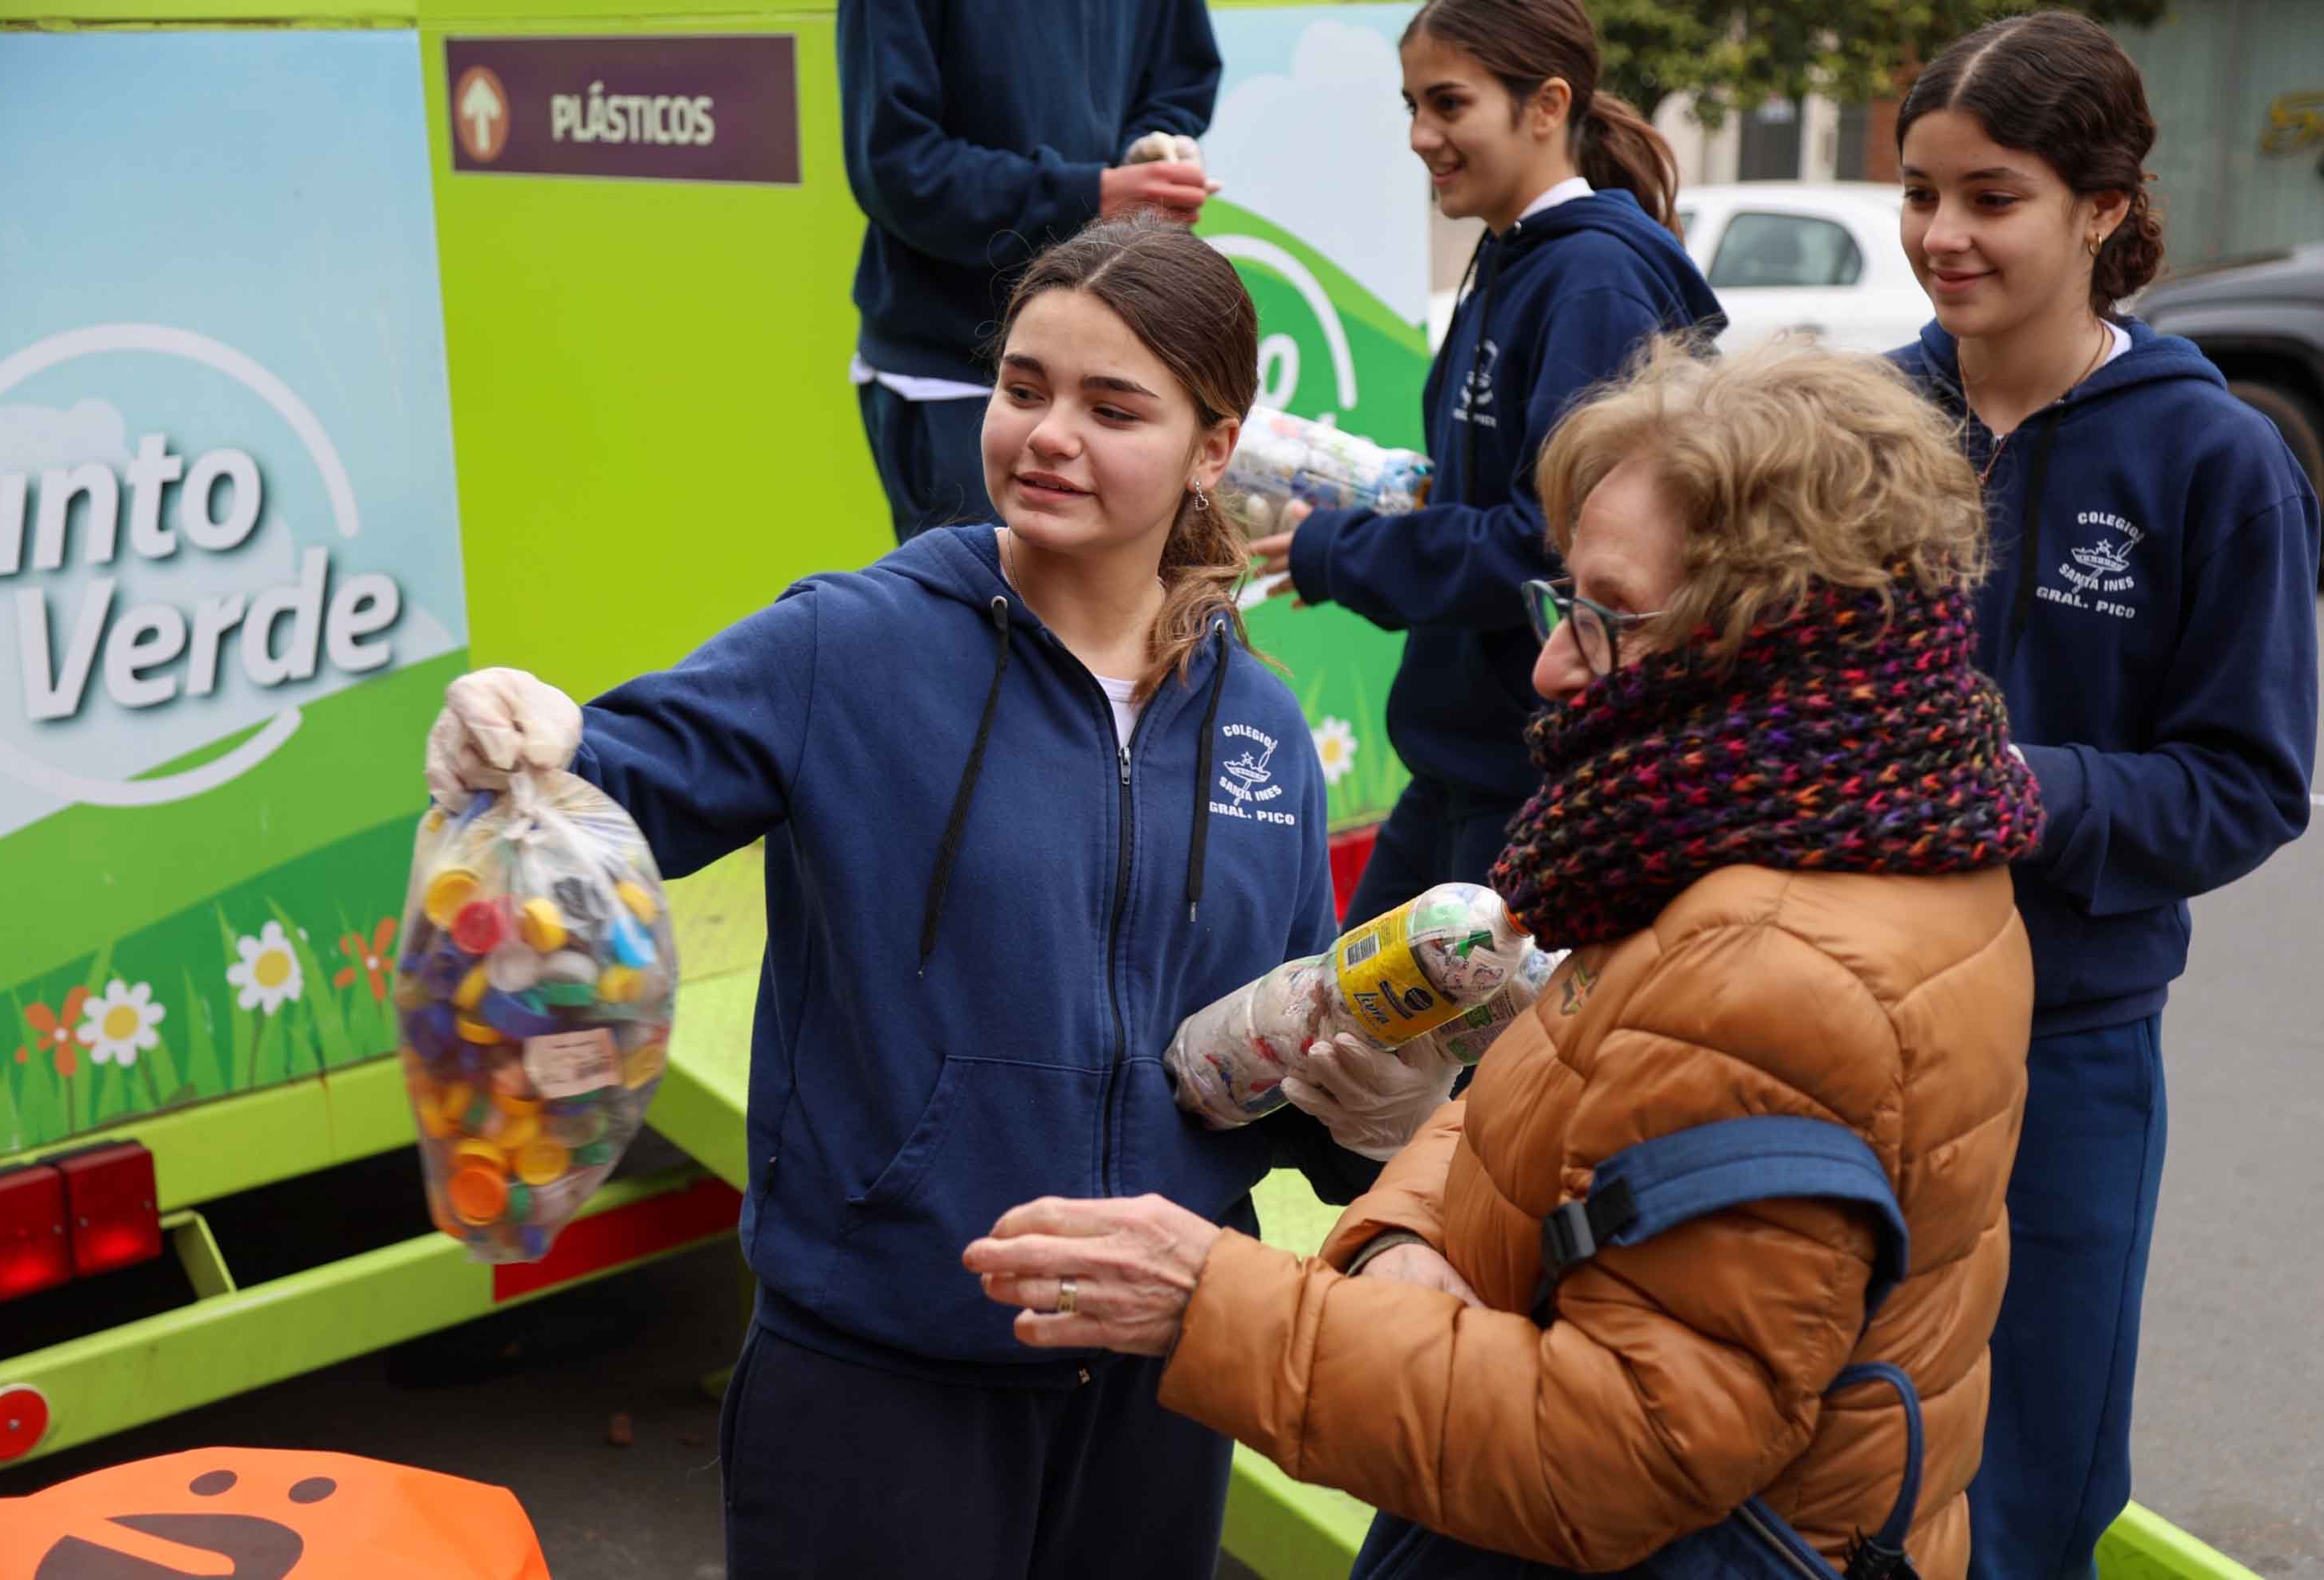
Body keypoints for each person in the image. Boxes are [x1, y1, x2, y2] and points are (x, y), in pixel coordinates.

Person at [422, 218, 1450, 1579]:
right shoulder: (851, 642)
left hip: (1156, 1379)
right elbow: (614, 783)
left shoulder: (1256, 728)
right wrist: (521, 738)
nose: (1046, 435)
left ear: (1214, 448)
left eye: (1110, 406)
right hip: (875, 1372)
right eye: (1023, 388)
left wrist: (1373, 1112)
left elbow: (1266, 1062)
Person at [966, 338, 2045, 1578]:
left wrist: (1213, 1301)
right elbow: (1565, 1114)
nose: (1550, 665)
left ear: (1767, 647)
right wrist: (1404, 1237)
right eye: (1560, 605)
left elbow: (1622, 1453)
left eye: (1602, 620)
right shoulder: (1857, 826)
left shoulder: (1774, 972)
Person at [1887, 15, 2321, 1578]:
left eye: (1990, 197)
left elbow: (2247, 786)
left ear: (2104, 211)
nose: (1943, 237)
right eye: (1920, 192)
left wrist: (2021, 789)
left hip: (2061, 1049)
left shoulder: (2218, 461)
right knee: (1817, 1435)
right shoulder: (1861, 430)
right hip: (1829, 1022)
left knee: (2027, 1477)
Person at [1249, 0, 1721, 929]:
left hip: (1534, 776)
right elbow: (1498, 490)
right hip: (1462, 761)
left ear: (1545, 106)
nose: (1423, 135)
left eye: (1449, 104)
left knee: (1430, 1069)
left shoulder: (1593, 281)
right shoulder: (1514, 259)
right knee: (1330, 1047)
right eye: (1410, 106)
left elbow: (1553, 546)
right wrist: (1385, 513)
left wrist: (1344, 554)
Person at [841, 0, 1224, 544]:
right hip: (955, 370)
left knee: (1107, 615)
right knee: (986, 617)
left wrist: (1150, 146)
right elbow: (898, 168)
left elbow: (1179, 83)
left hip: (1114, 358)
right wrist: (1086, 195)